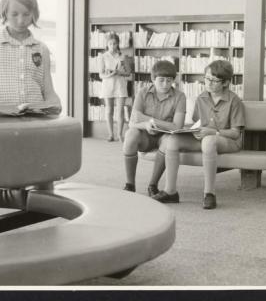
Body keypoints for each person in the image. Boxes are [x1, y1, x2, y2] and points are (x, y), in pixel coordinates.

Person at [0, 0, 61, 209]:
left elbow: (48, 89)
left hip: (35, 121)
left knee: (43, 176)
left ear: (34, 14)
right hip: (2, 122)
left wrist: (55, 103)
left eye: (27, 14)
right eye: (14, 14)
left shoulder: (42, 48)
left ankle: (45, 218)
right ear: (3, 13)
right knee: (8, 176)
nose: (21, 20)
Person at [152, 60, 245, 209]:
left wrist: (213, 132)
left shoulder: (234, 101)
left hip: (228, 141)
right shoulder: (201, 98)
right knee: (172, 140)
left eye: (214, 80)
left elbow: (235, 133)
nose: (209, 83)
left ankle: (209, 193)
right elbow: (198, 123)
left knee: (208, 141)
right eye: (207, 78)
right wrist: (193, 131)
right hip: (205, 138)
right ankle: (170, 192)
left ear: (226, 83)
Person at [122, 60, 186, 196]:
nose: (165, 84)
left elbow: (177, 126)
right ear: (153, 79)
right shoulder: (142, 93)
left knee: (170, 141)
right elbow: (132, 122)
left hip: (164, 136)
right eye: (161, 80)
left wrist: (149, 119)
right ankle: (130, 185)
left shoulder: (180, 96)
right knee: (130, 134)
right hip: (145, 135)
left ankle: (153, 185)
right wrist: (145, 124)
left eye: (169, 81)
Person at [98, 33, 132, 142]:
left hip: (120, 85)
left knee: (120, 110)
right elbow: (101, 75)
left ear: (118, 44)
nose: (112, 46)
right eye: (110, 43)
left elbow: (128, 73)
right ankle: (111, 134)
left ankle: (120, 134)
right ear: (107, 44)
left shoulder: (123, 56)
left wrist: (120, 72)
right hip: (107, 85)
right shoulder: (103, 56)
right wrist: (110, 75)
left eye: (115, 43)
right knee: (109, 110)